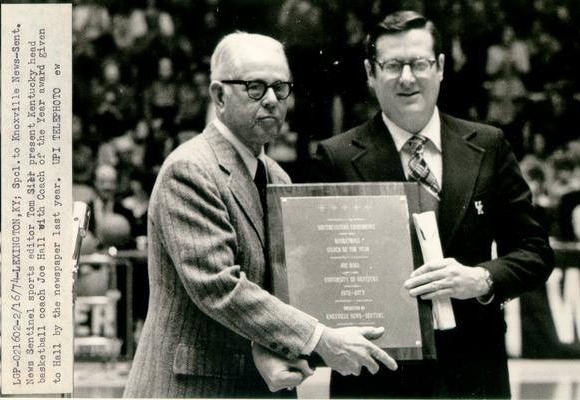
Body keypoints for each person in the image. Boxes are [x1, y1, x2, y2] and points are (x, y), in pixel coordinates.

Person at [123, 32, 396, 398]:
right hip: (192, 387)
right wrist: (321, 338)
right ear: (219, 96)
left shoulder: (276, 175)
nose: (271, 100)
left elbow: (282, 286)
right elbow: (219, 288)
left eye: (281, 88)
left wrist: (273, 347)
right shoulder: (190, 169)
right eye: (254, 87)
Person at [311, 11, 554, 398]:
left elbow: (535, 252)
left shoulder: (489, 146)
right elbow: (318, 272)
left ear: (439, 67)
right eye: (392, 65)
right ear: (371, 73)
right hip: (377, 374)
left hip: (475, 371)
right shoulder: (335, 157)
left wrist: (482, 279)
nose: (407, 77)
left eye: (419, 63)